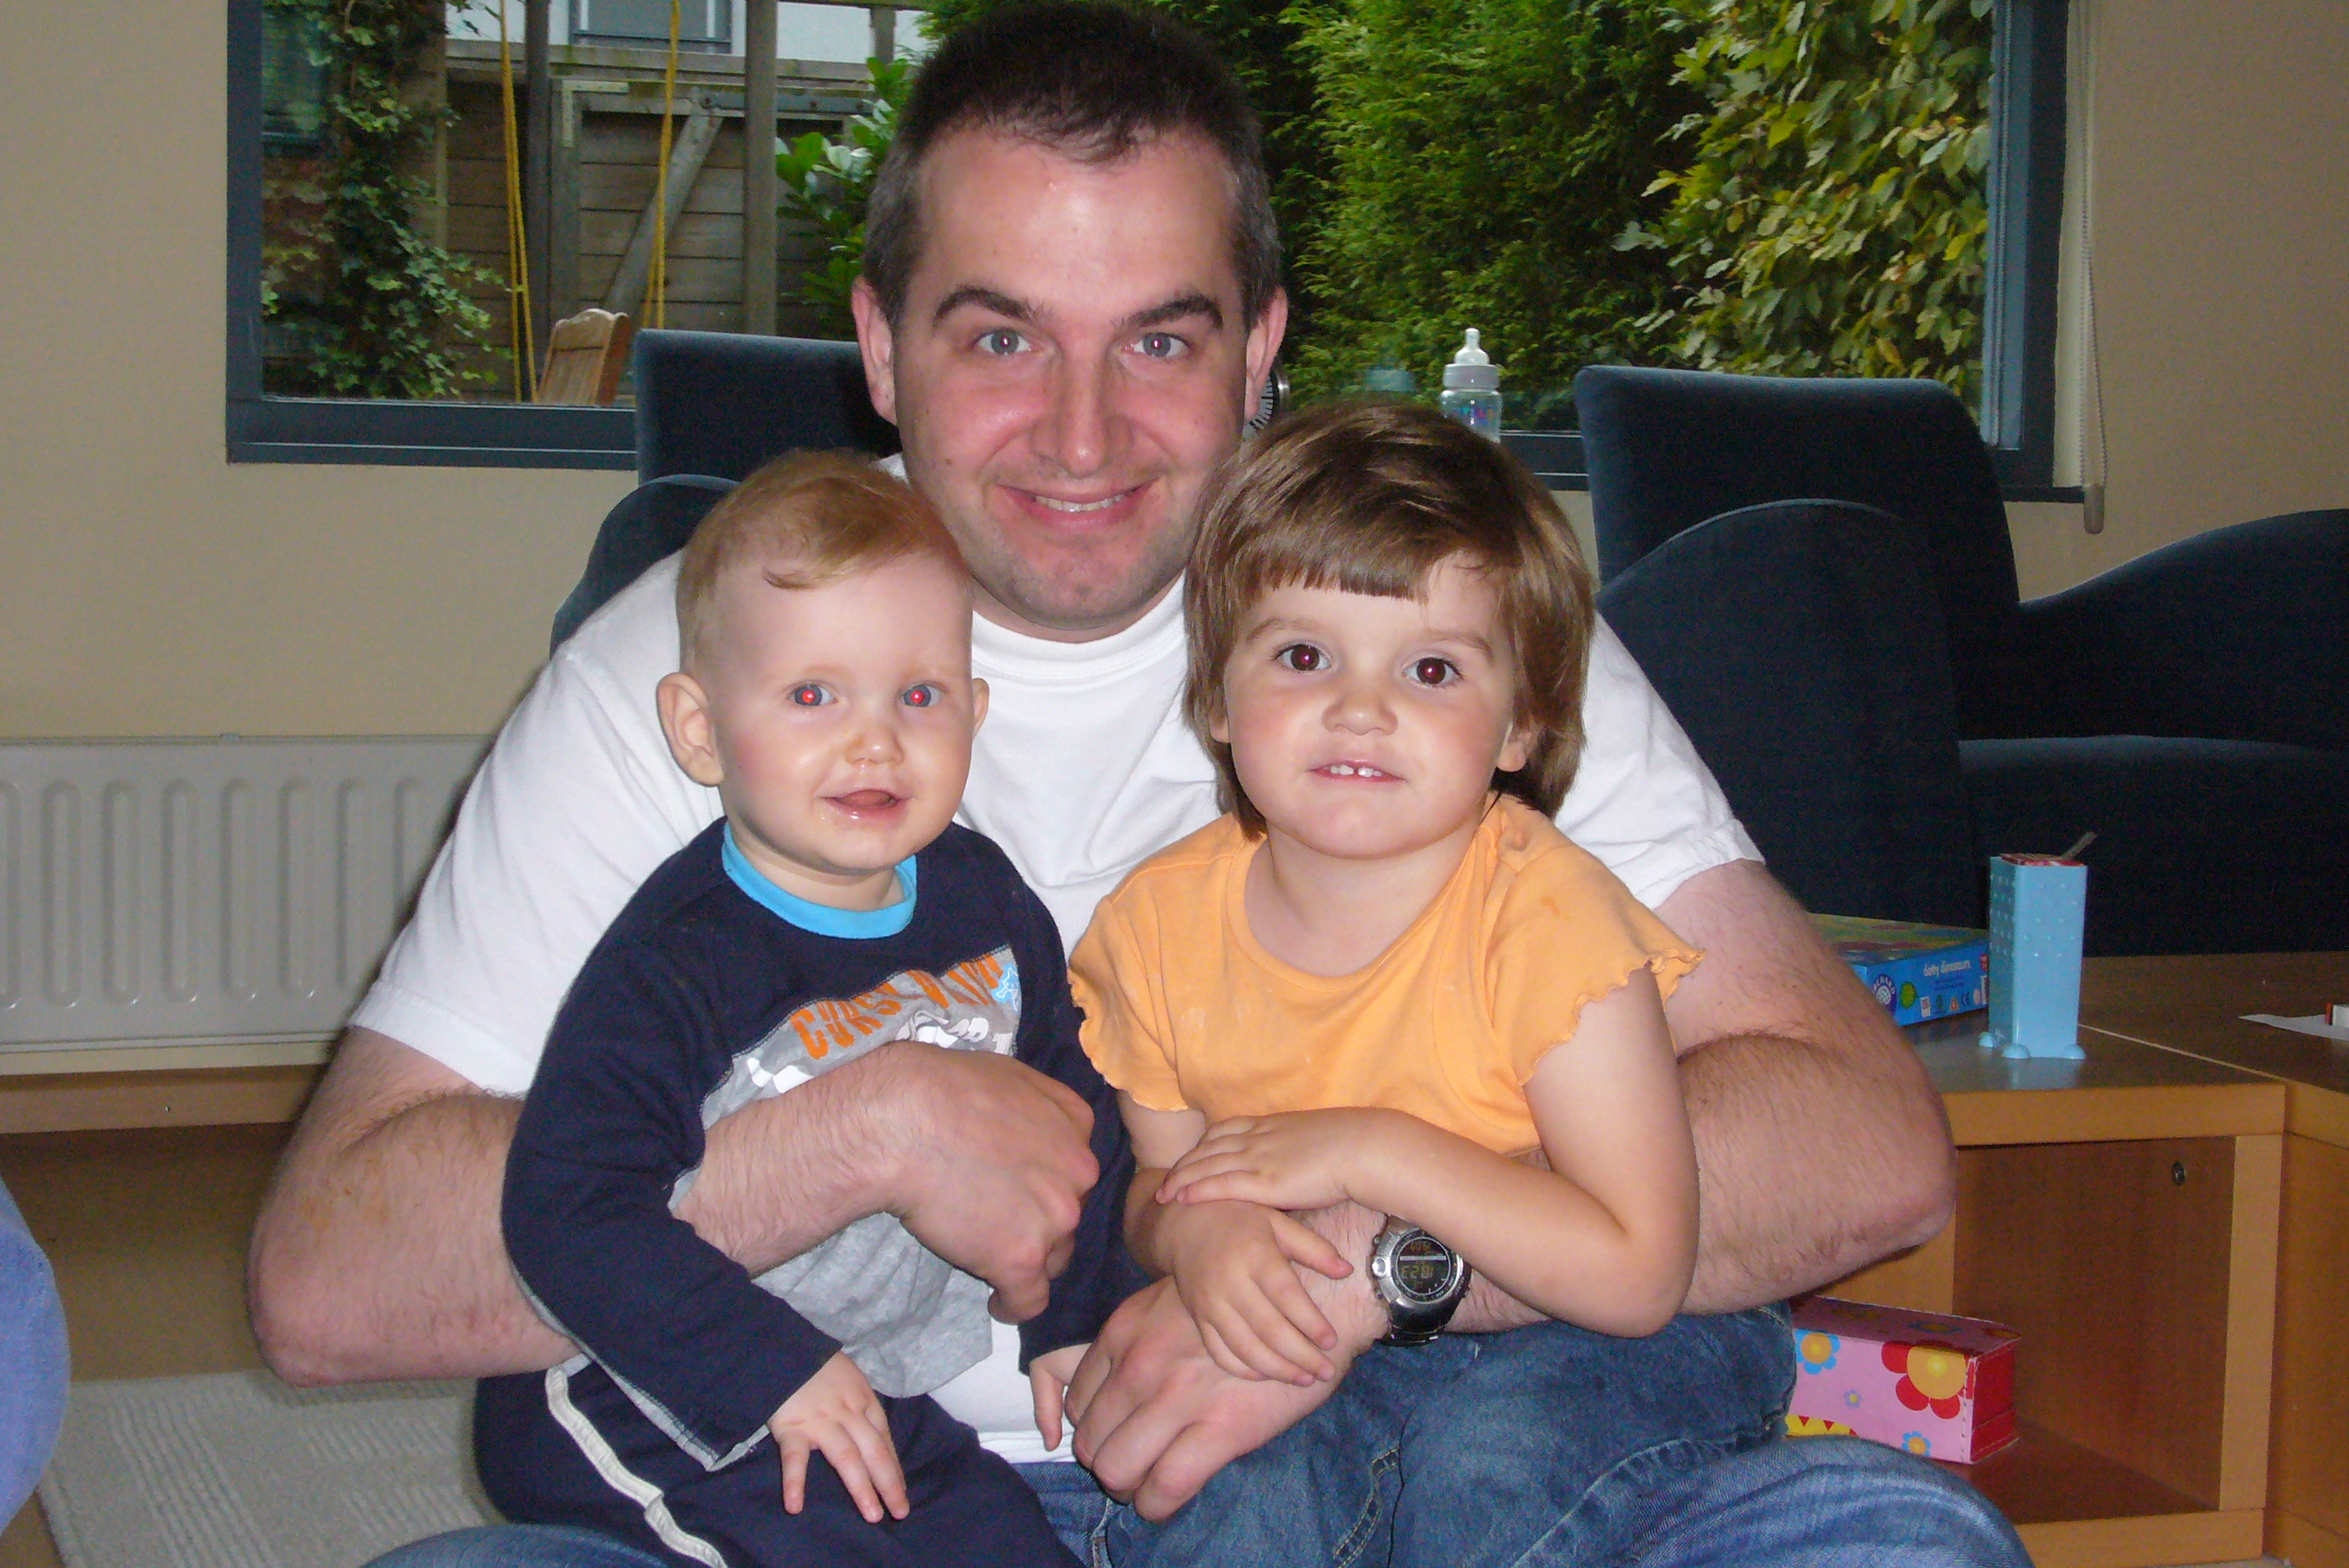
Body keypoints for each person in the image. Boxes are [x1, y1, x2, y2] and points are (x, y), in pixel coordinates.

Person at [251, 6, 2011, 1566]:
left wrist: (1358, 1269)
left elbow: (1859, 1146)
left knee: (1896, 1542)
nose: (1082, 435)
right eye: (1001, 338)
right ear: (881, 348)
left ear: (1260, 349)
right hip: (834, 1504)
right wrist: (859, 1139)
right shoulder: (706, 665)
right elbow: (329, 1279)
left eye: (1159, 342)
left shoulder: (1421, 627)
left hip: (1387, 1470)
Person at [1071, 400, 1788, 1565]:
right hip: (1345, 1337)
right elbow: (1160, 1186)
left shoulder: (1550, 922)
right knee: (1219, 1491)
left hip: (1610, 1335)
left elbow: (1639, 1271)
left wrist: (1372, 1151)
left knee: (1485, 1462)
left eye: (1433, 669)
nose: (1362, 708)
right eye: (1303, 656)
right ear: (1214, 697)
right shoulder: (1152, 930)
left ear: (1521, 727)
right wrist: (1197, 1241)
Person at [475, 455, 1129, 1567]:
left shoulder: (983, 900)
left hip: (863, 1391)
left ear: (974, 714)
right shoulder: (681, 957)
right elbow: (567, 1207)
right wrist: (768, 1369)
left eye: (918, 697)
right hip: (650, 1395)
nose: (875, 741)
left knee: (1011, 1541)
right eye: (813, 696)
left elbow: (1078, 1106)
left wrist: (1074, 1322)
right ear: (699, 729)